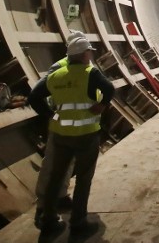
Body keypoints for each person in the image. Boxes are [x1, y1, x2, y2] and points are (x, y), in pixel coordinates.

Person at [28, 34, 115, 238]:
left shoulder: (57, 73)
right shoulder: (87, 72)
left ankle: (48, 218)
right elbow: (109, 89)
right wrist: (101, 106)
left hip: (61, 133)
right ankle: (78, 222)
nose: (90, 55)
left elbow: (34, 97)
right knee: (83, 179)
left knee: (56, 176)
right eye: (89, 52)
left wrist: (53, 115)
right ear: (84, 53)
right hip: (85, 134)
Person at [31, 32, 88, 228]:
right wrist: (53, 116)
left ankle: (61, 197)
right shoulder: (60, 68)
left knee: (68, 163)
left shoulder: (80, 67)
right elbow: (35, 96)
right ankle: (42, 211)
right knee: (54, 164)